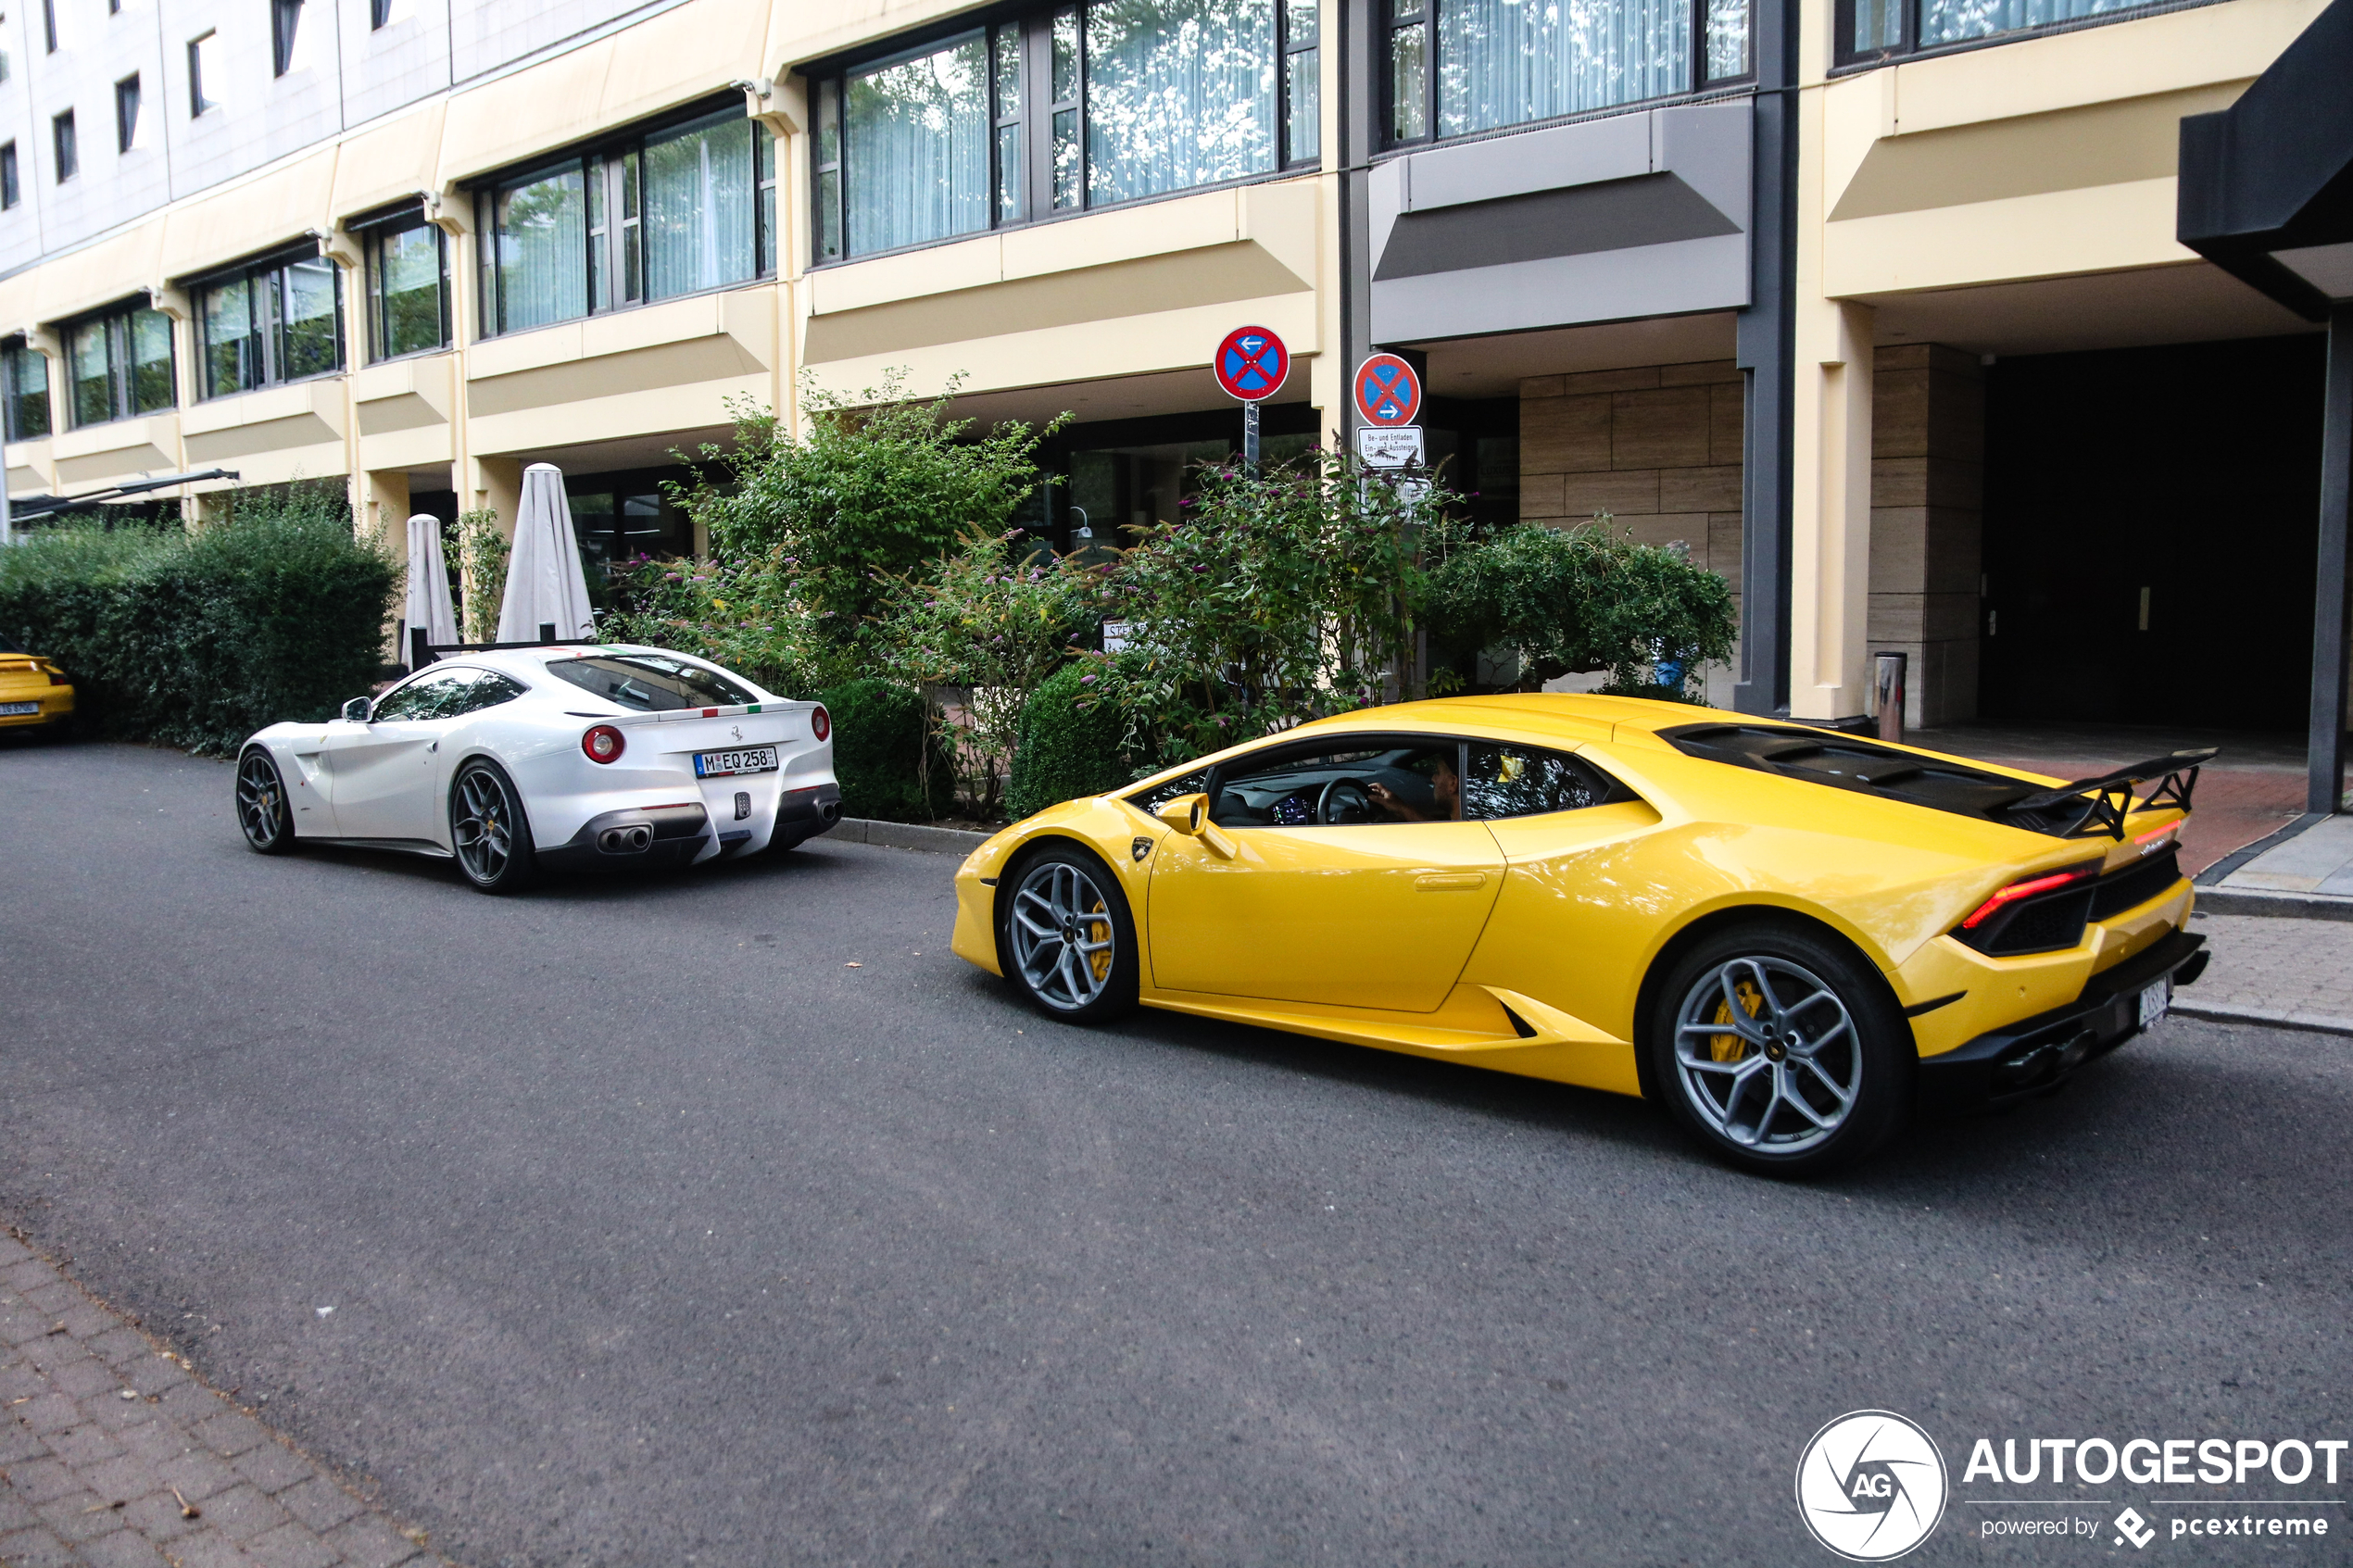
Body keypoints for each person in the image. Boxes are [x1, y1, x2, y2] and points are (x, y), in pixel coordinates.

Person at [1367, 754, 1460, 822]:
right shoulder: (1463, 827)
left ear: (1453, 783)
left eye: (1438, 772)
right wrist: (1401, 807)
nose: (1433, 778)